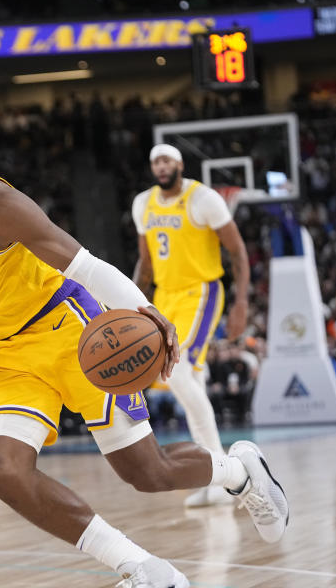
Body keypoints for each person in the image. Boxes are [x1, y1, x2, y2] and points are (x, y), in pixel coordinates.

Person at [0, 110, 287, 588]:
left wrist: (148, 310)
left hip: (72, 330)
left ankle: (238, 470)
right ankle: (144, 569)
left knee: (148, 473)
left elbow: (83, 263)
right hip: (6, 350)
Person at [132, 143, 251, 507]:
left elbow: (237, 250)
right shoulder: (143, 204)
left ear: (180, 163)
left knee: (178, 374)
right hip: (165, 298)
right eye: (155, 161)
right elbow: (146, 264)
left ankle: (226, 473)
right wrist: (132, 305)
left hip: (202, 293)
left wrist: (241, 301)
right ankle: (215, 477)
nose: (161, 166)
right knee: (190, 381)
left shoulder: (204, 199)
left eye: (167, 159)